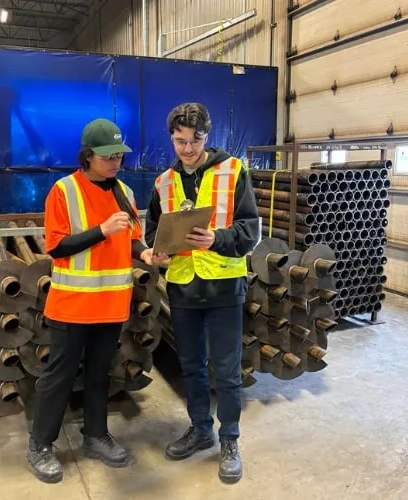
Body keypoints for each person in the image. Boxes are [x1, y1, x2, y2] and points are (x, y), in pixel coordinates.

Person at [27, 118, 166, 484]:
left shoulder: (125, 192)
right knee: (58, 377)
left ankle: (95, 436)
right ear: (87, 156)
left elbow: (132, 239)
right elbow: (57, 246)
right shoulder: (64, 191)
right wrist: (101, 231)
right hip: (73, 307)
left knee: (100, 375)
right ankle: (41, 444)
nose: (115, 162)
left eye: (119, 155)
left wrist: (145, 252)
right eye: (108, 157)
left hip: (110, 306)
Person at [145, 103, 259, 484]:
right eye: (180, 141)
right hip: (183, 288)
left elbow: (250, 232)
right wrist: (157, 251)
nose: (187, 148)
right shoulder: (163, 183)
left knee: (226, 371)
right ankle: (200, 429)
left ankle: (229, 439)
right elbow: (151, 233)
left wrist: (216, 238)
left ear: (206, 136)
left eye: (195, 140)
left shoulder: (233, 171)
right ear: (171, 138)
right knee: (191, 366)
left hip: (225, 286)